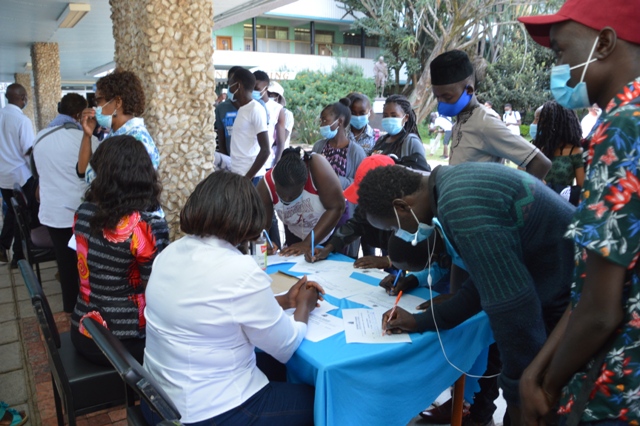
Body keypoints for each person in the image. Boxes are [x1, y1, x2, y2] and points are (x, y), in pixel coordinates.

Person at [356, 162, 575, 425]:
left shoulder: (459, 208)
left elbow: (514, 310)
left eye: (394, 227)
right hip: (560, 285)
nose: (399, 234)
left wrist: (519, 390)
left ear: (403, 206)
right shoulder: (451, 186)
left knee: (542, 406)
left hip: (574, 294)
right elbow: (482, 284)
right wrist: (419, 321)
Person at [518, 1, 640, 424]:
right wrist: (535, 371)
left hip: (615, 390)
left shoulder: (623, 127)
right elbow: (597, 282)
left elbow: (601, 312)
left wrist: (547, 386)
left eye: (560, 51)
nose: (558, 67)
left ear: (603, 43)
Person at [142, 170, 320, 425]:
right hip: (209, 413)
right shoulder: (240, 270)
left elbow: (211, 308)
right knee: (324, 401)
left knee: (274, 368)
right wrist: (304, 305)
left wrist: (284, 301)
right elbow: (286, 346)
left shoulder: (170, 252)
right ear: (247, 219)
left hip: (159, 401)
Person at [70, 135, 169, 365]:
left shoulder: (83, 212)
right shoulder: (145, 225)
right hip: (123, 343)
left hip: (84, 330)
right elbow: (157, 291)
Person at [430, 50, 551, 179]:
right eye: (437, 97)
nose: (441, 102)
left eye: (447, 97)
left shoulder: (485, 123)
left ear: (469, 90)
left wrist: (520, 192)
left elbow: (540, 162)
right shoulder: (460, 122)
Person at [32, 93, 100, 313]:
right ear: (80, 115)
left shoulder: (40, 138)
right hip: (80, 214)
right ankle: (88, 307)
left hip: (52, 212)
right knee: (88, 263)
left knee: (65, 262)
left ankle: (70, 307)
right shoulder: (89, 140)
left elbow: (37, 175)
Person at [256, 147, 344, 256]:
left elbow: (336, 207)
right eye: (281, 195)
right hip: (296, 233)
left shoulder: (318, 168)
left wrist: (307, 243)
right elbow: (262, 226)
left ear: (304, 184)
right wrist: (265, 242)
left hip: (331, 229)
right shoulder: (266, 186)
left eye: (292, 196)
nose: (286, 199)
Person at [78, 69, 159, 185]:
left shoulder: (136, 141)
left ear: (117, 102)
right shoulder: (115, 134)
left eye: (99, 101)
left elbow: (127, 191)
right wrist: (87, 135)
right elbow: (84, 173)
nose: (96, 108)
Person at [0, 83, 35, 266]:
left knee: (13, 213)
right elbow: (28, 151)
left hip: (3, 177)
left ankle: (4, 247)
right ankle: (18, 255)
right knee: (22, 216)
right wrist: (37, 174)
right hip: (20, 177)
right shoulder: (22, 120)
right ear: (22, 97)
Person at [533, 100, 585, 205]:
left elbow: (582, 191)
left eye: (539, 120)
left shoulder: (576, 152)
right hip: (536, 207)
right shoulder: (537, 149)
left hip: (561, 208)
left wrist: (549, 188)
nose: (534, 124)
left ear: (555, 124)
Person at [228, 68, 270, 182]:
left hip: (251, 178)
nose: (229, 88)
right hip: (239, 174)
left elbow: (265, 150)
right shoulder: (242, 109)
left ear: (238, 85)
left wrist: (247, 178)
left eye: (230, 84)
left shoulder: (255, 109)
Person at [370, 95, 427, 159]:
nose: (389, 119)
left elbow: (420, 165)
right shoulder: (381, 140)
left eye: (394, 116)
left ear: (406, 118)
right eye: (385, 116)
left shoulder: (412, 142)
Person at [254, 70, 286, 166]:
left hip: (267, 163)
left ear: (266, 88)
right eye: (252, 88)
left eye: (257, 88)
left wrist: (276, 164)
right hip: (247, 161)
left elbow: (281, 142)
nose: (253, 91)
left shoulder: (277, 109)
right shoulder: (247, 106)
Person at [269, 81, 294, 150]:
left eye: (271, 95)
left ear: (278, 98)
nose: (268, 98)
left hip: (279, 153)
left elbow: (281, 139)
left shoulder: (287, 114)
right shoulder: (263, 112)